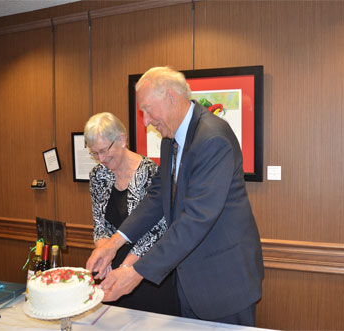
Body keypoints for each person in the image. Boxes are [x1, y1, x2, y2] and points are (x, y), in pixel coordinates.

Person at [86, 67, 264, 326]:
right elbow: (157, 197)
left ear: (171, 97)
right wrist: (112, 244)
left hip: (224, 284)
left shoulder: (212, 138)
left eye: (147, 109)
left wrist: (135, 272)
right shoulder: (171, 139)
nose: (145, 121)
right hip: (190, 284)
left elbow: (196, 219)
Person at [84, 112, 180, 316]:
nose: (100, 159)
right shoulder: (98, 175)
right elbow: (100, 223)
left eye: (104, 150)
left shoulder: (150, 173)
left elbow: (156, 232)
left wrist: (125, 269)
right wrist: (104, 257)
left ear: (121, 139)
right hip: (113, 271)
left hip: (145, 272)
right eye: (94, 153)